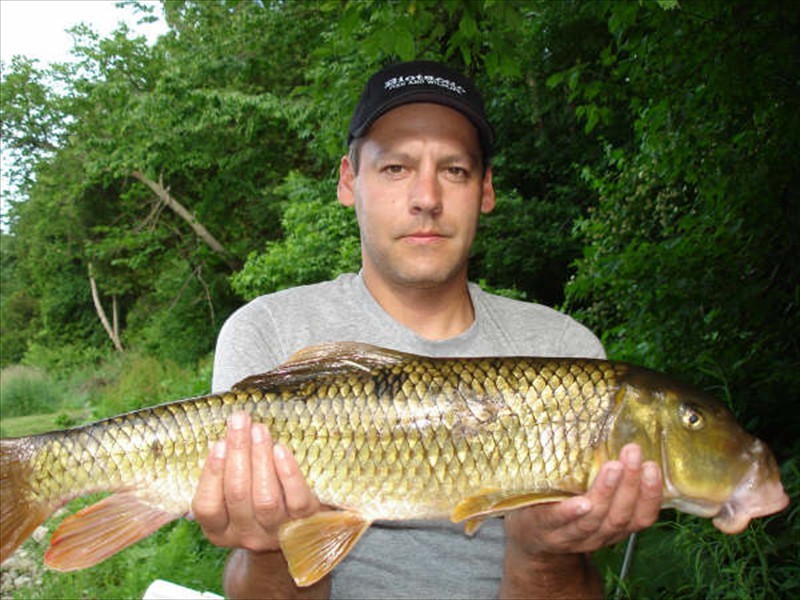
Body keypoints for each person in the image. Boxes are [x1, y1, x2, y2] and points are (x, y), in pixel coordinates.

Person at [191, 61, 663, 599]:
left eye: (455, 170)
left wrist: (543, 552)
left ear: (485, 190)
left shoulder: (567, 354)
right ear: (350, 181)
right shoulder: (268, 330)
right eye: (396, 168)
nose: (427, 198)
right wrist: (274, 547)